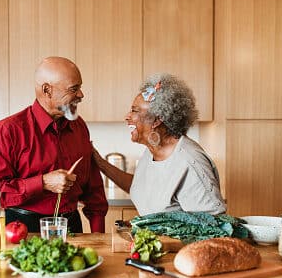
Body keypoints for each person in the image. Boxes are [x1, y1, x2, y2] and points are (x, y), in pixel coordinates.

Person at [0, 57, 108, 233]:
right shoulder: (7, 131)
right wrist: (43, 183)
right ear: (47, 90)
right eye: (74, 89)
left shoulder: (79, 127)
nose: (81, 95)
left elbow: (93, 190)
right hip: (22, 230)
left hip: (71, 227)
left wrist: (97, 234)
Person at [93, 73, 226, 216]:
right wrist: (100, 162)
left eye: (134, 111)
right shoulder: (152, 151)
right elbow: (139, 187)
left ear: (157, 120)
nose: (127, 116)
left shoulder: (189, 162)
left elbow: (214, 225)